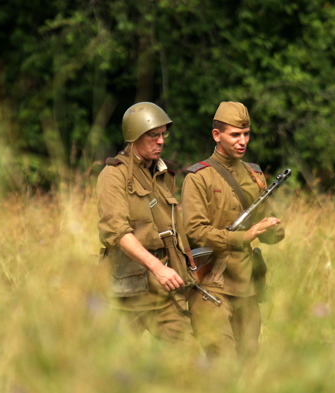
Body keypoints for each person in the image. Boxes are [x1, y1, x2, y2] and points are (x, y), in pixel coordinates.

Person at [182, 101, 285, 359]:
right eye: (235, 135)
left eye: (246, 134)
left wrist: (272, 230)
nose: (243, 141)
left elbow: (266, 223)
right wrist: (244, 236)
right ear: (217, 135)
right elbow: (195, 230)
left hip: (246, 287)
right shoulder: (198, 177)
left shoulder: (254, 175)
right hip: (211, 287)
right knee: (222, 364)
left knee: (249, 363)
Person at [96, 101, 197, 345]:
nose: (161, 141)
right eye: (153, 135)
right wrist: (157, 267)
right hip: (128, 286)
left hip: (164, 285)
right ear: (135, 136)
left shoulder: (163, 175)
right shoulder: (114, 175)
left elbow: (172, 230)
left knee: (183, 349)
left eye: (163, 135)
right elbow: (117, 232)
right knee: (114, 360)